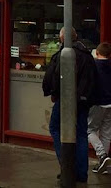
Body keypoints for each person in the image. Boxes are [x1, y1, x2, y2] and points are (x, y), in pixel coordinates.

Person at [43, 26, 98, 183]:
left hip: (65, 100)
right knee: (81, 134)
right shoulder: (87, 55)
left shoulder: (64, 54)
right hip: (83, 101)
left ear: (62, 38)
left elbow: (53, 76)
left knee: (55, 127)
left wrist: (53, 93)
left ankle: (68, 167)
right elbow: (93, 79)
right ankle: (81, 173)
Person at [88, 42, 111, 174]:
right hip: (110, 103)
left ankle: (102, 155)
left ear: (97, 53)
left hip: (97, 102)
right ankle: (104, 164)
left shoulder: (94, 66)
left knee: (89, 130)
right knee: (106, 133)